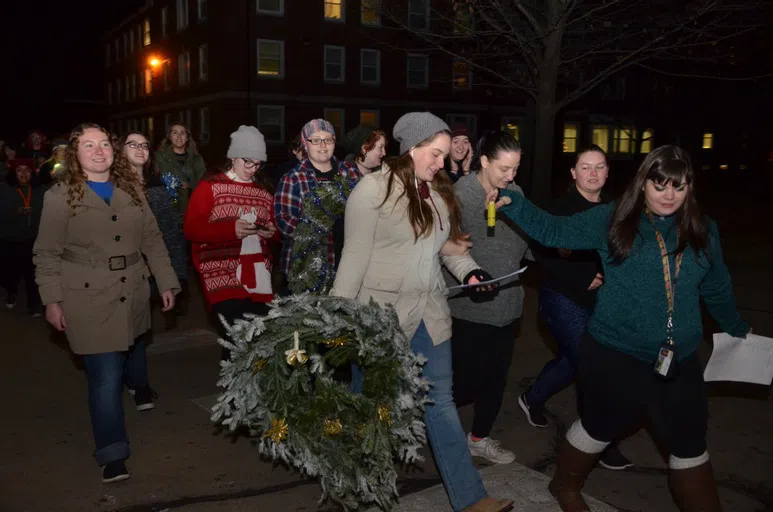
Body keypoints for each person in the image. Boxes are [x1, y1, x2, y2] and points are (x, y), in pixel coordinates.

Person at [492, 145, 750, 512]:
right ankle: (564, 486)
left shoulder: (704, 230)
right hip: (616, 353)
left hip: (680, 358)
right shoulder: (614, 218)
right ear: (644, 183)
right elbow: (554, 230)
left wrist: (736, 327)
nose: (668, 195)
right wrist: (514, 204)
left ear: (690, 187)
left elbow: (716, 285)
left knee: (690, 442)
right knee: (599, 425)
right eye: (659, 185)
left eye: (678, 186)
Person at [330, 112, 513, 512]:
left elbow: (444, 249)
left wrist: (472, 272)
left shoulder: (437, 194)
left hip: (430, 315)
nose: (441, 164)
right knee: (371, 408)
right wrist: (338, 317)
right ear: (411, 148)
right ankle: (351, 485)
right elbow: (354, 256)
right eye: (435, 154)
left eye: (445, 156)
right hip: (380, 318)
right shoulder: (372, 191)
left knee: (441, 404)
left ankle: (471, 499)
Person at [33, 123, 180, 483]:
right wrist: (52, 300)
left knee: (127, 355)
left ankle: (136, 391)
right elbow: (47, 254)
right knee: (105, 377)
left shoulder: (131, 189)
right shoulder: (59, 196)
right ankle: (112, 452)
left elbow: (152, 240)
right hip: (86, 296)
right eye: (88, 146)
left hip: (130, 291)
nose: (99, 152)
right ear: (75, 154)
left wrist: (166, 281)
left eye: (104, 145)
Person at [517, 145, 632, 471]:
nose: (593, 173)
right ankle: (601, 440)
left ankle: (533, 397)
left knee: (573, 360)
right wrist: (585, 277)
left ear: (608, 172)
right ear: (573, 173)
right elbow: (542, 254)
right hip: (563, 299)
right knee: (592, 364)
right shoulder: (562, 209)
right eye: (585, 167)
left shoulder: (617, 209)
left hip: (604, 302)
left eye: (599, 167)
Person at [446, 131, 530, 466]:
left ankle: (479, 438)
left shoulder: (516, 193)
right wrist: (470, 276)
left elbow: (525, 240)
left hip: (508, 305)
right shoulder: (461, 195)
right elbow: (446, 249)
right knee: (462, 380)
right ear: (483, 161)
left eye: (515, 169)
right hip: (469, 309)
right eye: (503, 169)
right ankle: (439, 434)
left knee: (496, 377)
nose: (510, 177)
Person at [184, 125, 280, 360]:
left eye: (258, 164)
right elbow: (191, 229)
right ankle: (236, 395)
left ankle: (250, 393)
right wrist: (230, 229)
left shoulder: (264, 192)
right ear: (233, 156)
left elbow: (277, 231)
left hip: (258, 276)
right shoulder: (210, 188)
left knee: (256, 340)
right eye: (248, 162)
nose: (252, 168)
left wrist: (271, 233)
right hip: (221, 275)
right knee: (236, 339)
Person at [274, 118, 360, 289]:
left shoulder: (350, 172)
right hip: (307, 270)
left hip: (348, 264)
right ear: (306, 145)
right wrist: (318, 228)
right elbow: (283, 220)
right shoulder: (294, 178)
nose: (323, 145)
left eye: (328, 139)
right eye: (316, 140)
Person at [121, 131, 189, 329]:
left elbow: (171, 234)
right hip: (124, 273)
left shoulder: (158, 188)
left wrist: (178, 275)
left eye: (144, 145)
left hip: (153, 271)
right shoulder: (113, 189)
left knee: (139, 330)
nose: (140, 149)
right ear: (121, 151)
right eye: (132, 144)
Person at [0, 158, 44, 313]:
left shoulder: (40, 190)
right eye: (20, 170)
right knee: (10, 271)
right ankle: (11, 294)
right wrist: (15, 212)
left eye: (27, 170)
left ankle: (33, 304)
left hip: (32, 240)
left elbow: (47, 213)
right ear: (14, 172)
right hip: (9, 239)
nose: (24, 173)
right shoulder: (4, 189)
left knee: (32, 274)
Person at [155, 122, 207, 212]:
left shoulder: (196, 158)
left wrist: (189, 186)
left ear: (187, 138)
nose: (179, 136)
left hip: (193, 205)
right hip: (169, 206)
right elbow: (159, 178)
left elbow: (204, 181)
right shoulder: (160, 157)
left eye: (182, 133)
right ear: (169, 137)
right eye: (175, 132)